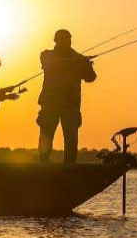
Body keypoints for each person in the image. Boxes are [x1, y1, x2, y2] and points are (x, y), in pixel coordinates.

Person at [37, 29, 97, 164]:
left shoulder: (79, 58)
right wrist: (75, 61)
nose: (65, 41)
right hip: (50, 103)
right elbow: (50, 65)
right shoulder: (47, 55)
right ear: (55, 40)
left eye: (67, 38)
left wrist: (86, 65)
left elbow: (91, 78)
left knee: (71, 138)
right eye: (62, 38)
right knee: (46, 136)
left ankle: (70, 165)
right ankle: (42, 164)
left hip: (71, 105)